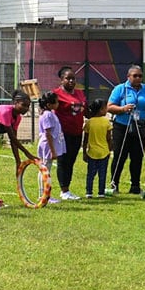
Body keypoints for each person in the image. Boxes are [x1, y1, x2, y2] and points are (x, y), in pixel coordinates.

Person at [107, 66, 145, 194]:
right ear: (128, 76)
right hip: (122, 126)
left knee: (137, 157)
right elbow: (110, 107)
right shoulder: (120, 89)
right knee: (120, 156)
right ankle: (114, 183)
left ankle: (135, 185)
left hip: (140, 126)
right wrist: (123, 109)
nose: (138, 78)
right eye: (135, 76)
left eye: (140, 76)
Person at [53, 66, 86, 200]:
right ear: (61, 80)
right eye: (68, 78)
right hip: (62, 133)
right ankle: (64, 189)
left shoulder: (80, 93)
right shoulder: (56, 94)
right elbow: (46, 108)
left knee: (71, 161)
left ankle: (67, 189)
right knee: (63, 161)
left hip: (77, 132)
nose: (71, 81)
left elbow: (85, 109)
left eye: (73, 78)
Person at [36, 91, 65, 205]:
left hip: (48, 145)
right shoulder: (48, 115)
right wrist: (53, 151)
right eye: (56, 102)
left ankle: (44, 194)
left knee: (45, 170)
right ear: (49, 104)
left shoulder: (49, 113)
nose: (58, 104)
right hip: (47, 146)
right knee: (45, 171)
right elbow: (48, 133)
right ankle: (44, 195)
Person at [82, 99, 113, 198]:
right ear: (100, 110)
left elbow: (85, 140)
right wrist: (110, 149)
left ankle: (89, 192)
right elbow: (109, 138)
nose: (106, 110)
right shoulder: (106, 122)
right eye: (105, 108)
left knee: (90, 174)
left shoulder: (89, 122)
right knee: (102, 174)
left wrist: (84, 152)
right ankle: (101, 193)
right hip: (104, 152)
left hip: (92, 153)